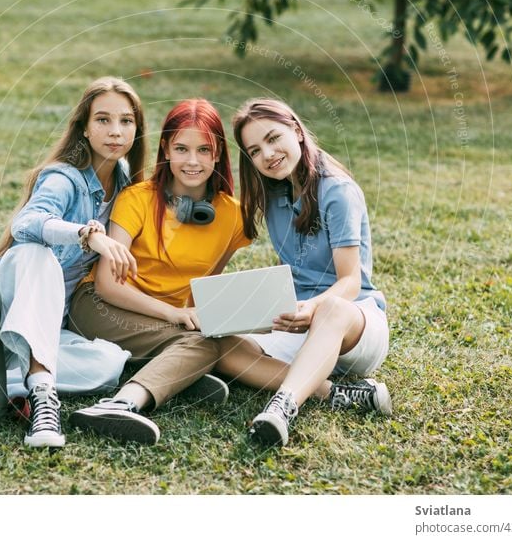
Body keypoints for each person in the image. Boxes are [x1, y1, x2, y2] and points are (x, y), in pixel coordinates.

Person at [0, 76, 147, 448]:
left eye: (126, 121)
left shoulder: (125, 182)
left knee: (109, 363)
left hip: (43, 329)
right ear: (83, 127)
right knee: (38, 254)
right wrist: (86, 233)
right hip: (2, 306)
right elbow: (27, 223)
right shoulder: (63, 177)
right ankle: (44, 398)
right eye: (103, 120)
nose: (115, 131)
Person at [66, 98, 251, 445]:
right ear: (165, 148)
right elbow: (107, 284)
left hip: (161, 322)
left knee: (223, 341)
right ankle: (121, 404)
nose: (192, 161)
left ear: (218, 154)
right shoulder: (137, 198)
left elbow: (204, 288)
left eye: (203, 150)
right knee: (202, 344)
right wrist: (174, 313)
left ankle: (325, 389)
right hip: (99, 306)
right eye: (181, 148)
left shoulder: (233, 215)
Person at [215, 98, 392, 447]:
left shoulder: (337, 191)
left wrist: (312, 308)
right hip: (302, 328)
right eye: (255, 150)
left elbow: (350, 282)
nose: (267, 153)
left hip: (353, 327)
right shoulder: (273, 195)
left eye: (273, 138)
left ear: (296, 130)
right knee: (218, 344)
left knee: (331, 309)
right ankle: (334, 393)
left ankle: (283, 407)